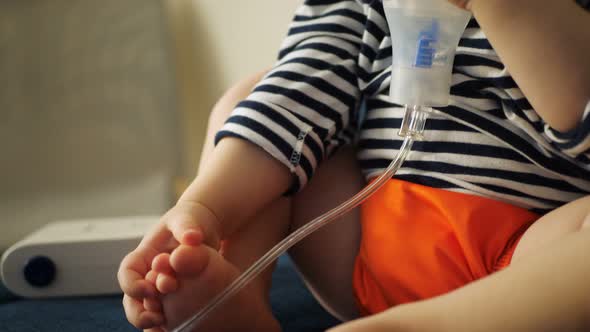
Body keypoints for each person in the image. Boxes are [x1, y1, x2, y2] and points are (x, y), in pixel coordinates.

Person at [118, 0, 590, 331]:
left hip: (530, 259)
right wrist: (206, 207)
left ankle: (422, 327)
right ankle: (230, 284)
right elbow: (300, 92)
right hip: (361, 243)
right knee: (253, 96)